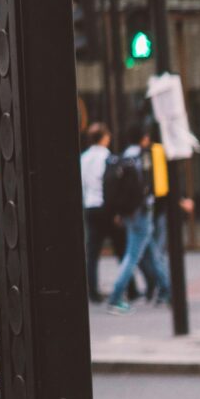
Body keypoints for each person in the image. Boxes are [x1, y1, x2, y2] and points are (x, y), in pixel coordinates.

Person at [105, 131, 171, 313]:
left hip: (129, 213)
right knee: (132, 256)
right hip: (142, 212)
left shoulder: (124, 156)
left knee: (152, 250)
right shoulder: (143, 156)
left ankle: (166, 289)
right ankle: (115, 296)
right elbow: (151, 186)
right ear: (144, 138)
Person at [80, 125, 114, 302]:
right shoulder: (107, 157)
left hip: (90, 206)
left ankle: (92, 290)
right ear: (103, 138)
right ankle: (130, 287)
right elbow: (110, 183)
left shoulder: (83, 158)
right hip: (105, 205)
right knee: (121, 247)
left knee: (92, 252)